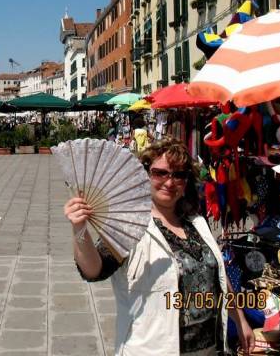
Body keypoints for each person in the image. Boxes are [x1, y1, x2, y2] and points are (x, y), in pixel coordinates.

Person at [64, 138, 254, 356]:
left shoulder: (196, 222)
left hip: (211, 349)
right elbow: (93, 269)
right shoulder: (129, 225)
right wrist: (79, 229)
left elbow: (218, 275)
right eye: (160, 173)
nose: (170, 182)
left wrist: (240, 320)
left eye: (179, 175)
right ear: (145, 175)